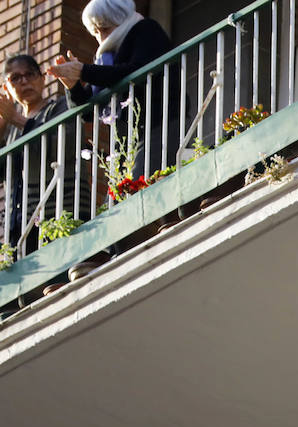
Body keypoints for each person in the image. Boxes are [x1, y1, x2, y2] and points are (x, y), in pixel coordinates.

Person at [47, 0, 175, 177]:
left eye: (104, 28)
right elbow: (87, 112)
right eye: (95, 31)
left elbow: (136, 70)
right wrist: (73, 85)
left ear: (120, 19)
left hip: (158, 124)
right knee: (118, 197)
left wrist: (84, 71)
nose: (100, 36)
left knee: (139, 184)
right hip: (127, 140)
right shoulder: (106, 58)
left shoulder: (145, 29)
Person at [1, 55, 85, 253]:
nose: (24, 81)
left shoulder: (60, 107)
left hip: (61, 212)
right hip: (22, 223)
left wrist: (16, 119)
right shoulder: (10, 129)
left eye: (30, 74)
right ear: (6, 88)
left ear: (42, 78)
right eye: (15, 78)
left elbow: (63, 145)